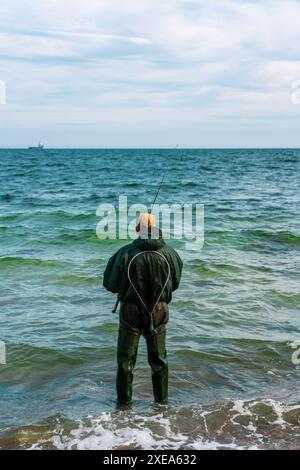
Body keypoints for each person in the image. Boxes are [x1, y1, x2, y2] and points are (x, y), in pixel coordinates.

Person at [103, 213, 183, 406]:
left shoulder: (125, 252)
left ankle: (123, 408)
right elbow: (175, 283)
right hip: (159, 310)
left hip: (131, 310)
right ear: (155, 228)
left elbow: (110, 283)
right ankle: (161, 405)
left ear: (138, 229)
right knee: (159, 360)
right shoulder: (171, 253)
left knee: (125, 362)